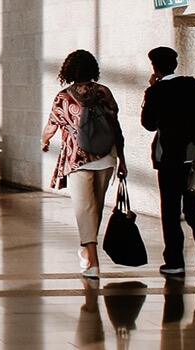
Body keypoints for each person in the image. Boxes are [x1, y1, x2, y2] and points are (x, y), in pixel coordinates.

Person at [39, 51, 120, 279]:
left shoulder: (64, 97)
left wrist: (44, 142)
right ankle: (87, 251)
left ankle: (92, 261)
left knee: (84, 209)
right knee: (95, 209)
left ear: (68, 70)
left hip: (78, 159)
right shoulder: (104, 92)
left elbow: (51, 126)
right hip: (105, 157)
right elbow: (115, 127)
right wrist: (121, 158)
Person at [139, 47, 195, 276]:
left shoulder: (156, 92)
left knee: (170, 211)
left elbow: (149, 124)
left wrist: (152, 89)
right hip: (194, 157)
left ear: (155, 67)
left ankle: (174, 261)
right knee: (193, 207)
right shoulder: (193, 85)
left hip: (169, 159)